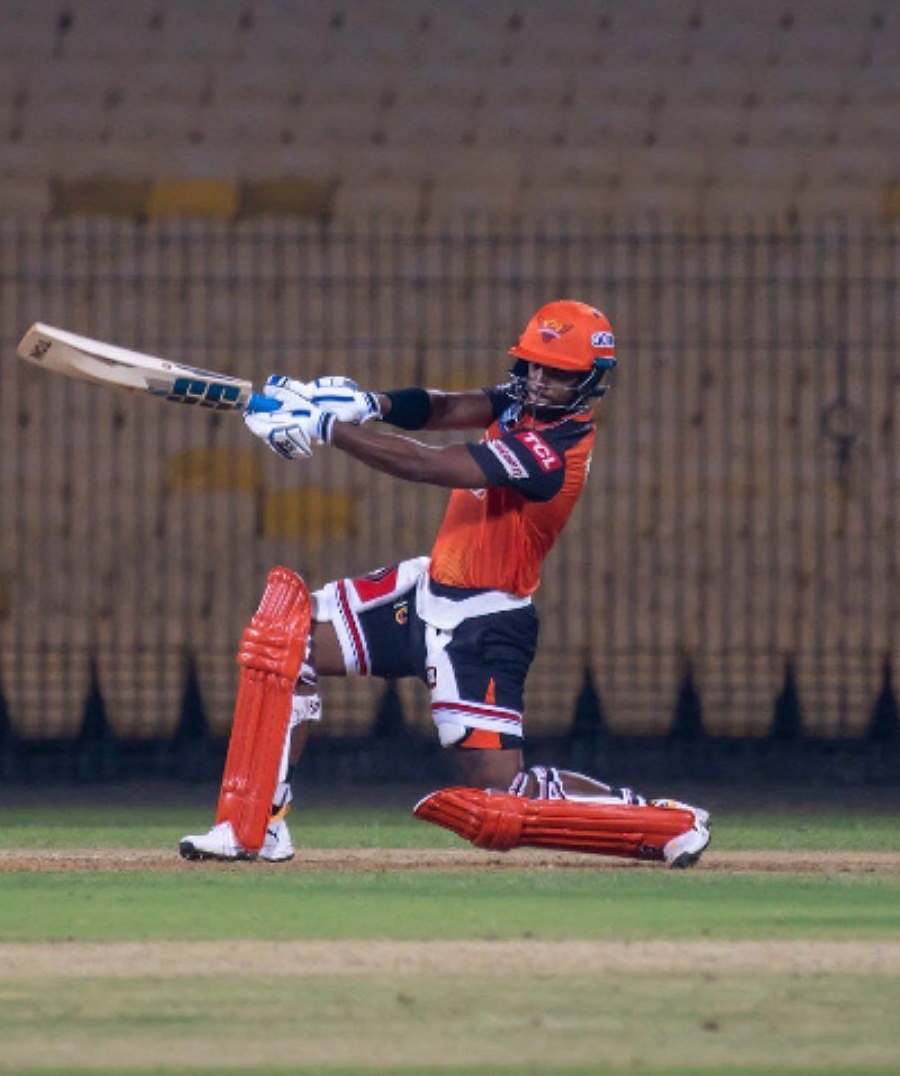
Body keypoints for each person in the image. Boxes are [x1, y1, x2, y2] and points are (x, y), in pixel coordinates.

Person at [180, 301, 710, 867]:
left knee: (501, 796)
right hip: (424, 591)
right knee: (287, 641)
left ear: (589, 382)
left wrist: (329, 427)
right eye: (532, 365)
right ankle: (258, 823)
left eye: (556, 373)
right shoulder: (522, 401)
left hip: (483, 626)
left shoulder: (554, 452)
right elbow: (447, 406)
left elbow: (431, 466)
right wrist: (370, 403)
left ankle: (657, 820)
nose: (538, 380)